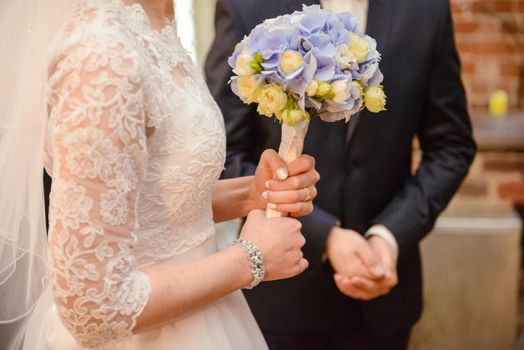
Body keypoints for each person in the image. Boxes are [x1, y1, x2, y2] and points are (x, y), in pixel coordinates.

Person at [0, 0, 322, 349]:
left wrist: (251, 194)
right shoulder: (101, 55)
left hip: (201, 316)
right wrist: (250, 257)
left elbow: (142, 201)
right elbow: (92, 307)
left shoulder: (155, 20)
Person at [205, 0, 477, 348]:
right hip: (282, 299)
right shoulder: (246, 6)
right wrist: (325, 235)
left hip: (383, 296)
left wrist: (388, 236)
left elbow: (451, 146)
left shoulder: (427, 10)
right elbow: (224, 152)